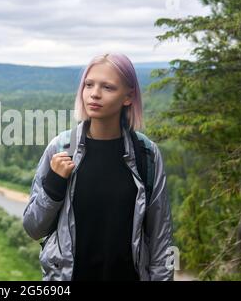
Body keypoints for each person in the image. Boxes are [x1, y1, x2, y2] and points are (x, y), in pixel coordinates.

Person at [22, 53, 174, 281]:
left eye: (108, 87)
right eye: (88, 84)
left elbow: (161, 239)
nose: (94, 94)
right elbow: (33, 228)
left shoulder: (147, 155)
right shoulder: (61, 149)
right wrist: (54, 185)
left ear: (128, 97)